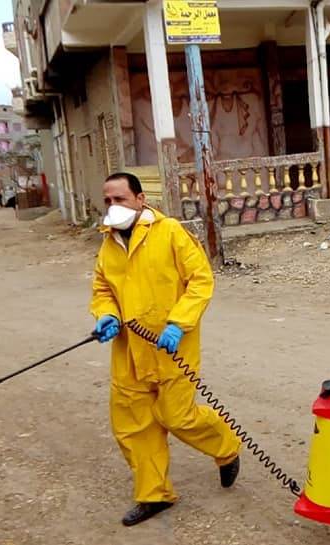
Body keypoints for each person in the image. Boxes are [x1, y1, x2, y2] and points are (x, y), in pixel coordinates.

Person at [90, 172, 241, 526]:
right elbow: (102, 289)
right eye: (108, 200)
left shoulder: (170, 232)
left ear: (140, 199)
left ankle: (226, 447)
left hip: (172, 346)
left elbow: (200, 279)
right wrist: (107, 315)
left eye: (120, 199)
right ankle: (154, 494)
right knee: (134, 425)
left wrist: (179, 322)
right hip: (129, 350)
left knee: (177, 417)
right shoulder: (109, 243)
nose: (112, 206)